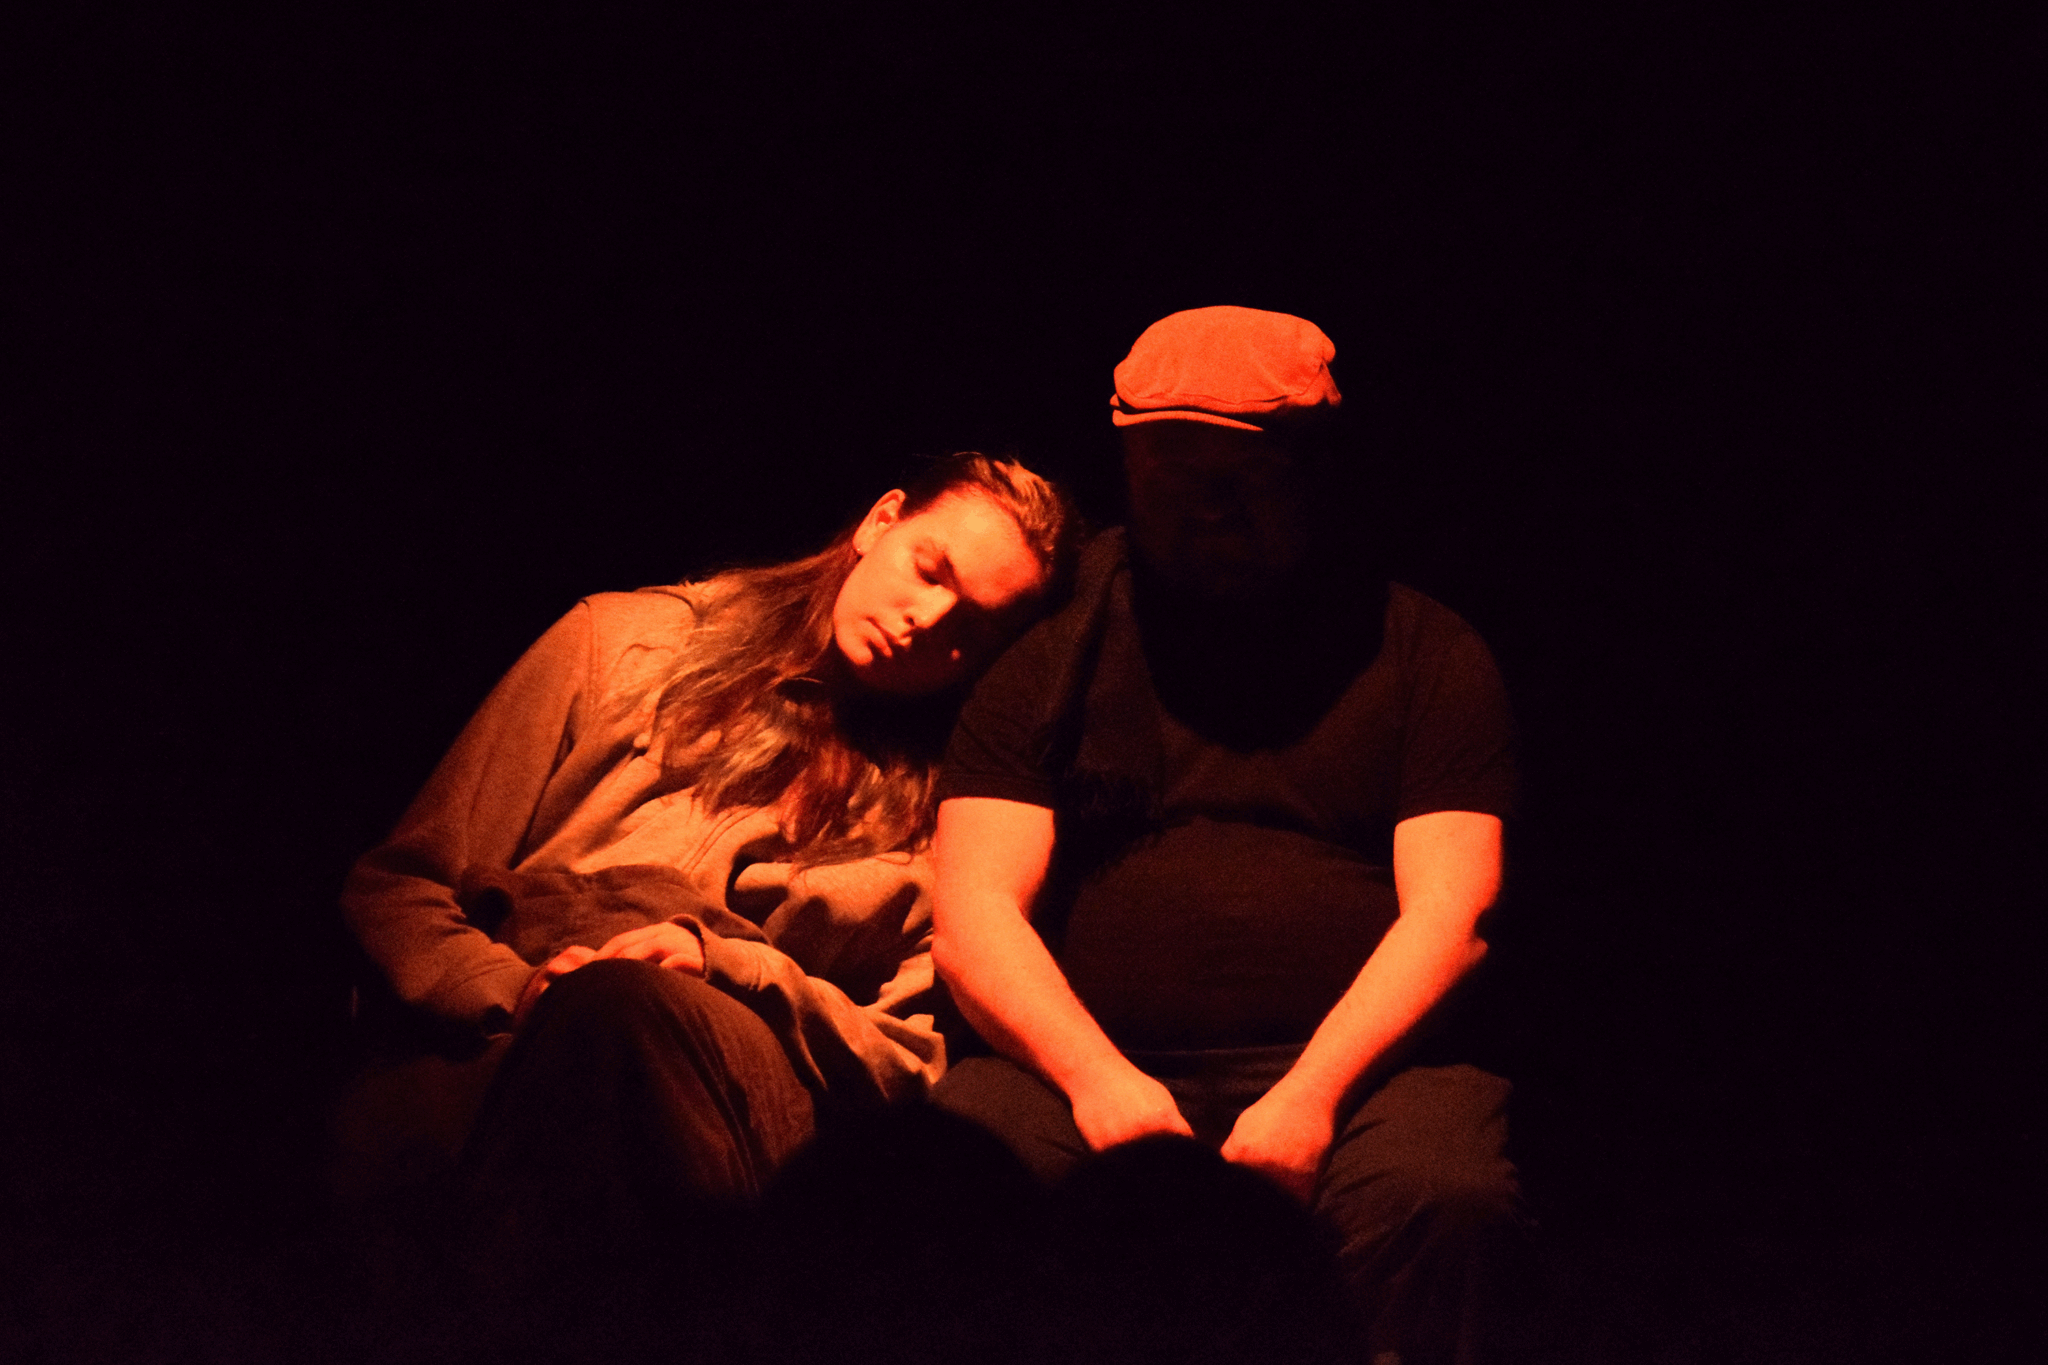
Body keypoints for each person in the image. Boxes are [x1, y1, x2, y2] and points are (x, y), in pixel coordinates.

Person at [929, 308, 1532, 1364]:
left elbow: (1455, 912)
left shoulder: (1424, 650)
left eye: (1242, 477)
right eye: (1172, 475)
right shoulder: (1052, 648)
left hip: (1361, 1074)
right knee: (956, 1174)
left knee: (1442, 1192)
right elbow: (973, 910)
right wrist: (1100, 1083)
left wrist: (1310, 1097)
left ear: (1315, 470)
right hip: (1086, 1065)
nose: (1209, 507)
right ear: (1127, 467)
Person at [335, 451, 1073, 1254]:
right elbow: (399, 885)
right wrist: (516, 990)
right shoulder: (625, 642)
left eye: (973, 629)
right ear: (881, 520)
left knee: (626, 1011)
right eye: (929, 570)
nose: (926, 621)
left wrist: (733, 968)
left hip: (722, 1102)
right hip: (495, 1047)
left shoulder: (943, 812)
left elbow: (909, 1056)